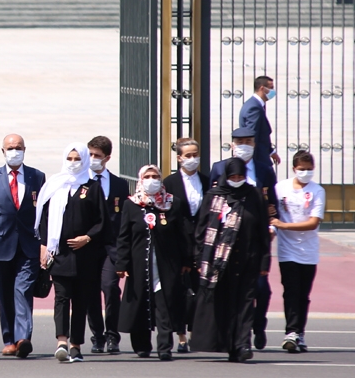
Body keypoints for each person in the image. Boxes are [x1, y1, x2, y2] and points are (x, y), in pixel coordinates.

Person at [191, 158, 272, 362]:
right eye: (233, 177)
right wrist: (200, 260)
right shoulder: (214, 196)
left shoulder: (253, 195)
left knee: (245, 303)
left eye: (240, 177)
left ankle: (243, 344)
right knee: (225, 304)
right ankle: (229, 344)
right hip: (220, 262)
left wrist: (264, 262)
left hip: (248, 259)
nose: (236, 180)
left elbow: (262, 229)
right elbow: (201, 230)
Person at [208, 125, 277, 350]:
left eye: (248, 142)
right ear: (232, 145)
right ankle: (236, 338)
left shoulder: (264, 170)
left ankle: (257, 325)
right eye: (240, 142)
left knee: (261, 289)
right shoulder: (219, 168)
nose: (244, 146)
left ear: (254, 144)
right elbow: (212, 204)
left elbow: (271, 205)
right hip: (226, 243)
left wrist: (271, 228)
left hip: (252, 241)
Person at [35, 142, 105, 363]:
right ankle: (62, 341)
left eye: (78, 159)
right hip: (60, 253)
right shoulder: (56, 184)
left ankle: (76, 344)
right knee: (62, 298)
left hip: (85, 255)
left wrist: (87, 237)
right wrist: (44, 245)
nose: (73, 163)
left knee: (81, 300)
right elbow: (44, 218)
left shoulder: (92, 187)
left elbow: (102, 221)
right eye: (70, 159)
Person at [115, 165, 192, 361]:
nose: (151, 179)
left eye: (155, 176)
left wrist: (186, 260)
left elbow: (184, 235)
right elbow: (124, 237)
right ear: (141, 180)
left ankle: (165, 346)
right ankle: (142, 345)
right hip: (140, 265)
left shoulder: (173, 203)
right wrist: (122, 264)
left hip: (166, 265)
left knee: (164, 305)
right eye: (147, 176)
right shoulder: (131, 205)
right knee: (141, 303)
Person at [0, 133, 45, 358]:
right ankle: (8, 338)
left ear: (25, 150)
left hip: (29, 245)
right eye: (10, 148)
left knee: (23, 289)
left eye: (18, 147)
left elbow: (44, 213)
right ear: (3, 151)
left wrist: (46, 243)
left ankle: (23, 337)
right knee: (5, 293)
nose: (14, 151)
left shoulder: (37, 177)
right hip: (1, 244)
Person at [272, 150, 325, 353]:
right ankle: (291, 333)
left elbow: (313, 222)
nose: (305, 173)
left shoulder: (317, 191)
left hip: (309, 250)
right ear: (294, 168)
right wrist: (273, 227)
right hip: (287, 251)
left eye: (309, 169)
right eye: (301, 169)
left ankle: (300, 333)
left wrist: (283, 226)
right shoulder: (281, 188)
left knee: (303, 294)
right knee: (291, 291)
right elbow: (273, 212)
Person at [85, 135, 131, 355]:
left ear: (107, 158)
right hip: (88, 247)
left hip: (111, 248)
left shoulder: (120, 185)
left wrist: (125, 252)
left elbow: (125, 218)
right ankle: (98, 336)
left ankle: (113, 335)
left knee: (110, 289)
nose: (93, 159)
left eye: (97, 156)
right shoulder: (81, 182)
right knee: (90, 293)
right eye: (90, 154)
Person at [163, 137, 209, 353]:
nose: (192, 159)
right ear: (179, 158)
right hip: (179, 244)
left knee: (200, 291)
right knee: (180, 292)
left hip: (201, 243)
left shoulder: (206, 181)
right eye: (187, 155)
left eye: (195, 155)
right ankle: (180, 336)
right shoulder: (169, 183)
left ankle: (196, 333)